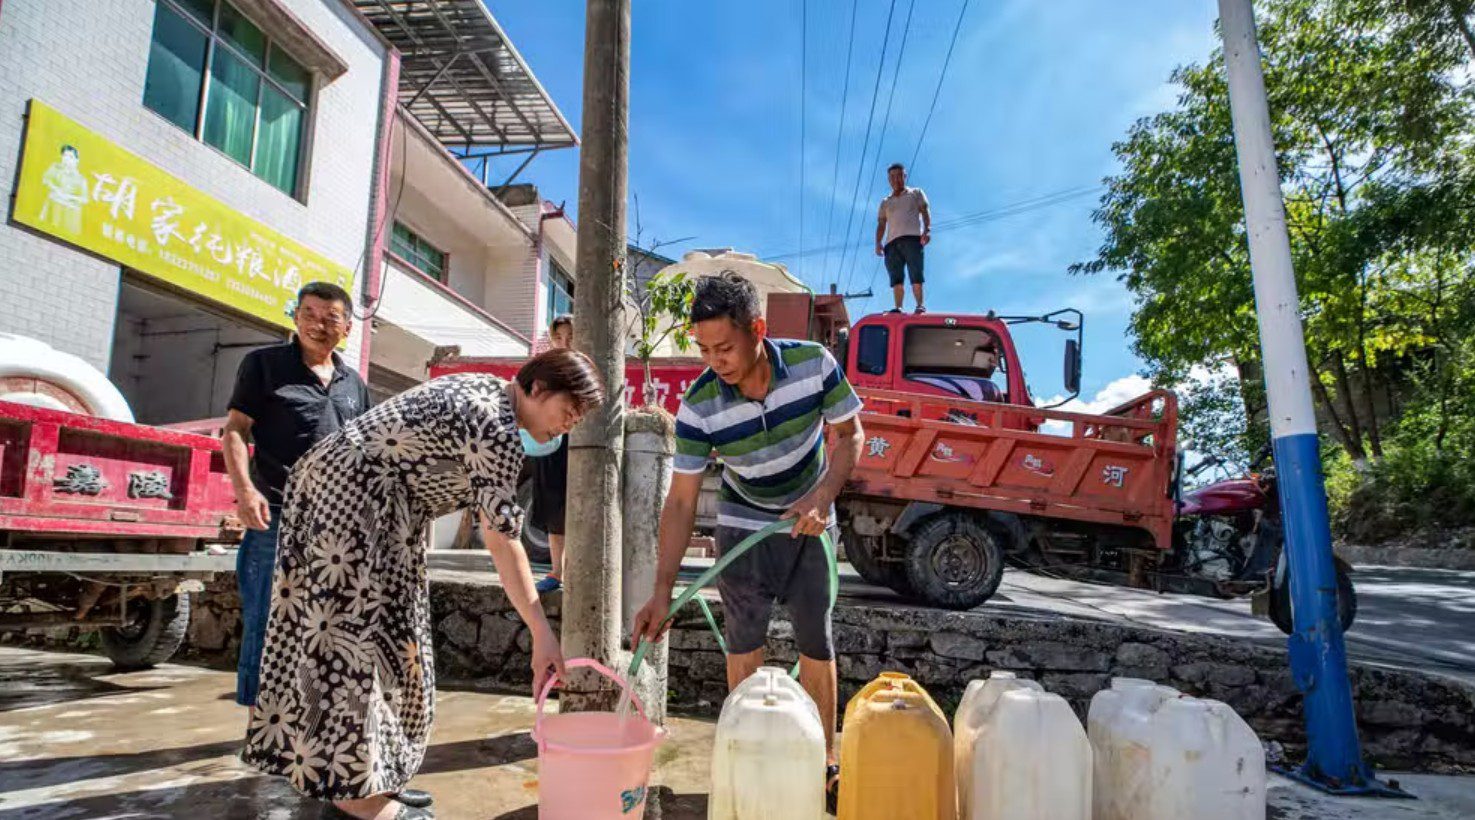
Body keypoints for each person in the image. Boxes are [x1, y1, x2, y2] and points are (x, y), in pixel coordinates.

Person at [241, 349, 601, 820]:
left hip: (377, 508)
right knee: (349, 643)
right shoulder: (494, 423)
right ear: (536, 389)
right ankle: (356, 797)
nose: (567, 427)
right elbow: (501, 537)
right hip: (352, 504)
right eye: (568, 413)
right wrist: (540, 631)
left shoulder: (489, 393)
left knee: (398, 641)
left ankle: (371, 773)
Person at [631, 271, 865, 808]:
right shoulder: (699, 404)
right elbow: (682, 502)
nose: (716, 361)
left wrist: (822, 498)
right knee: (743, 639)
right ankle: (746, 753)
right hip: (742, 520)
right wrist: (662, 591)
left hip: (809, 515)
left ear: (758, 329)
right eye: (705, 349)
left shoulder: (812, 365)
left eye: (726, 348)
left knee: (815, 634)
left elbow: (851, 435)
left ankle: (823, 760)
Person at [222, 282, 370, 717]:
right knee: (266, 619)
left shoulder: (354, 384)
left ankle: (308, 717)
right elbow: (234, 429)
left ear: (345, 329)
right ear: (295, 317)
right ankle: (259, 722)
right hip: (276, 515)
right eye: (309, 313)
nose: (318, 324)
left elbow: (364, 452)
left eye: (330, 318)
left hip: (335, 523)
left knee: (325, 622)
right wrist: (244, 491)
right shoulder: (264, 365)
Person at [533, 314, 573, 593]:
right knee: (553, 505)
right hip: (550, 442)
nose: (564, 342)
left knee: (578, 507)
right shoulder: (545, 368)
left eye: (570, 336)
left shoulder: (588, 367)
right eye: (558, 337)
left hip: (581, 444)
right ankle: (557, 572)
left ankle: (575, 571)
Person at [874, 162, 931, 314]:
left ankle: (919, 305)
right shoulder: (885, 202)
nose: (896, 179)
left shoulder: (916, 193)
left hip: (912, 239)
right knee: (896, 278)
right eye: (892, 177)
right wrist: (878, 242)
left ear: (905, 176)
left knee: (916, 274)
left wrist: (927, 230)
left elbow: (925, 211)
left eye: (899, 175)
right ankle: (898, 307)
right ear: (889, 180)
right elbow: (881, 223)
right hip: (891, 244)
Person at [39, 144, 88, 235]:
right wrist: (56, 189)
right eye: (65, 156)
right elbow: (45, 179)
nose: (67, 159)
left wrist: (69, 197)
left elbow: (85, 199)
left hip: (70, 212)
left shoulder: (81, 179)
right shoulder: (55, 168)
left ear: (77, 160)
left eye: (70, 157)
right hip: (53, 205)